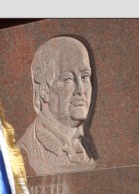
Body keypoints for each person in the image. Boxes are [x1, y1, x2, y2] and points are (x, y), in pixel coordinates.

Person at [17, 36, 97, 175]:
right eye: (68, 79)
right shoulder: (24, 153)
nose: (81, 90)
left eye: (85, 77)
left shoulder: (85, 146)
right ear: (43, 90)